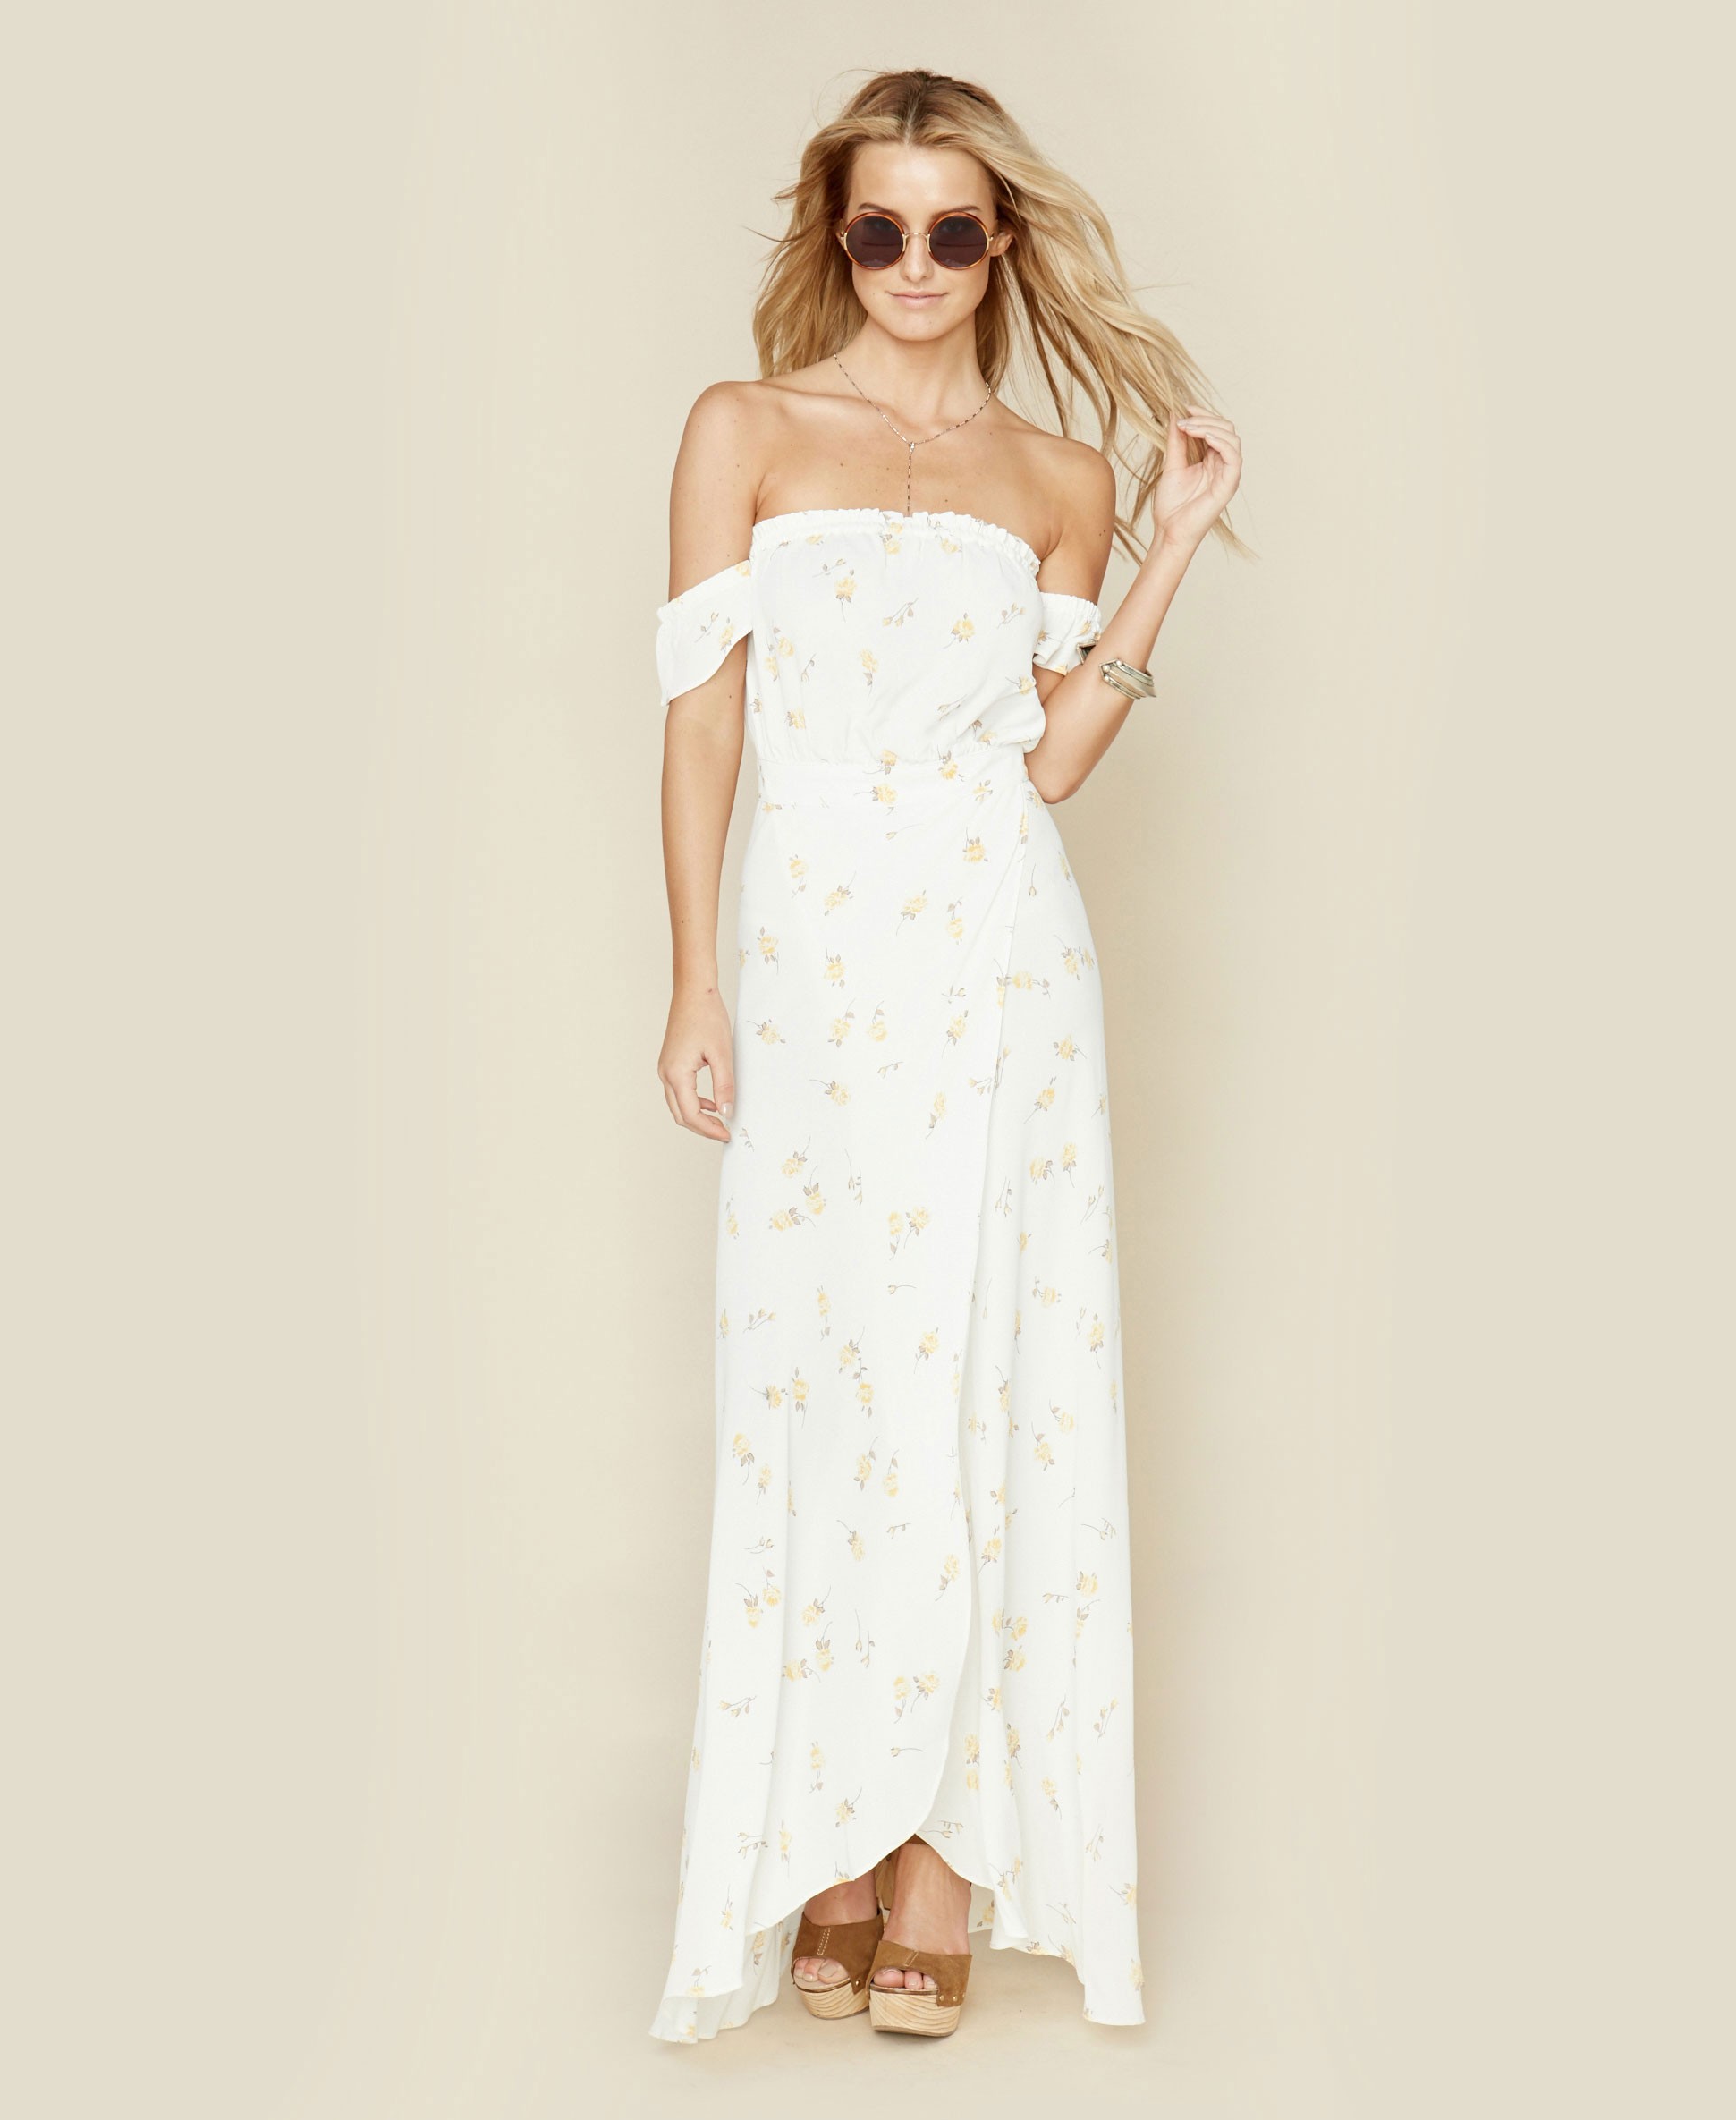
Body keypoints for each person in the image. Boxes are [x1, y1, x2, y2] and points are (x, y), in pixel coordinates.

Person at [643, 66, 1240, 2044]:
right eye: (880, 227)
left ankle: (936, 1862)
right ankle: (826, 1822)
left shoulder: (1057, 477)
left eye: (954, 230)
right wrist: (695, 982)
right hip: (808, 952)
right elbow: (703, 725)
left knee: (988, 1368)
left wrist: (1166, 542)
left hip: (1000, 955)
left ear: (999, 245)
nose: (916, 264)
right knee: (823, 1370)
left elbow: (1050, 762)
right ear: (839, 237)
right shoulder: (742, 429)